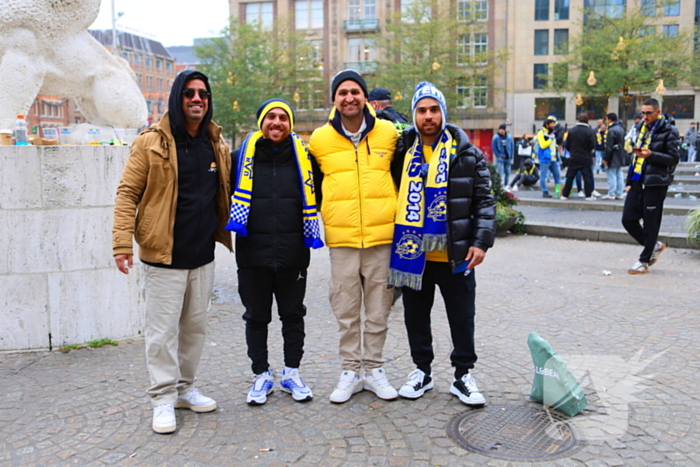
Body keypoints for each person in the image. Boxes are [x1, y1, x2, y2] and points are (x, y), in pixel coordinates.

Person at [112, 71, 232, 434]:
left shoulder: (215, 142)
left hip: (202, 256)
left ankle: (185, 389)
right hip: (162, 255)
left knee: (194, 329)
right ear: (178, 98)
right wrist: (121, 243)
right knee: (161, 332)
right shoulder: (150, 142)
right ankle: (162, 397)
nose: (198, 99)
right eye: (190, 94)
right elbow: (127, 194)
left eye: (204, 94)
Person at [388, 81, 496, 406]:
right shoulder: (401, 154)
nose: (428, 116)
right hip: (414, 257)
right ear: (414, 115)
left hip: (456, 256)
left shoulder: (467, 154)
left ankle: (463, 375)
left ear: (443, 114)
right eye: (422, 110)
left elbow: (485, 202)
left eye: (434, 109)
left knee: (462, 318)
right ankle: (422, 371)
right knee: (415, 318)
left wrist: (481, 242)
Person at [308, 70, 399, 404]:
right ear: (334, 99)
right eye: (342, 92)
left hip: (381, 239)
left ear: (365, 97)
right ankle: (350, 369)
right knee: (346, 309)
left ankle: (374, 369)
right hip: (343, 241)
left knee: (378, 309)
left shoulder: (389, 133)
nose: (349, 98)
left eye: (355, 92)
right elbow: (310, 184)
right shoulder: (319, 140)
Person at [226, 99, 324, 405]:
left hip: (293, 254)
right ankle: (261, 374)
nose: (277, 122)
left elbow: (319, 197)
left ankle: (291, 372)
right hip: (252, 254)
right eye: (271, 117)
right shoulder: (238, 159)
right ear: (261, 123)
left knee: (293, 316)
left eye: (283, 117)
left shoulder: (305, 160)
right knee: (256, 317)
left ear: (290, 124)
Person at [622, 98, 679, 275]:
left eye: (648, 113)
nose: (644, 116)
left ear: (658, 112)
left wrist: (652, 155)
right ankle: (653, 246)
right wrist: (630, 181)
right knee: (628, 219)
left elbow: (673, 158)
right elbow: (635, 158)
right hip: (638, 180)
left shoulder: (670, 130)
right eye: (642, 112)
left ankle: (644, 260)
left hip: (656, 182)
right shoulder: (640, 128)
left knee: (651, 223)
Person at [562, 113, 596, 200]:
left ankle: (565, 194)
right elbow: (592, 145)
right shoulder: (590, 131)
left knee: (570, 176)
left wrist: (572, 151)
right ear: (588, 120)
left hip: (574, 156)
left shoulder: (572, 130)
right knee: (587, 176)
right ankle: (588, 195)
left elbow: (567, 144)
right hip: (586, 156)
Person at [601, 113, 626, 200]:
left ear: (609, 119)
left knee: (611, 175)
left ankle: (611, 193)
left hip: (613, 156)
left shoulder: (611, 130)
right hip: (619, 154)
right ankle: (619, 193)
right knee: (619, 174)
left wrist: (605, 158)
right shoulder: (621, 128)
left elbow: (609, 146)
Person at [536, 115, 561, 198]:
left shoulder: (551, 133)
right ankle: (545, 192)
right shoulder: (541, 133)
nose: (554, 125)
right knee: (543, 176)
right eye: (552, 124)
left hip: (553, 158)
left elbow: (552, 145)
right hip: (545, 158)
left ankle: (558, 192)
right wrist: (551, 138)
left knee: (557, 175)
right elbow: (543, 145)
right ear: (547, 125)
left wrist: (557, 147)